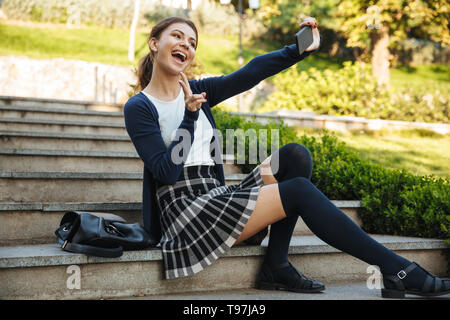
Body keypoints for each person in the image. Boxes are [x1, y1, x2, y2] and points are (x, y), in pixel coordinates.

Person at [123, 16, 450, 299]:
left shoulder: (197, 91)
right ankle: (401, 271)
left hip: (215, 197)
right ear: (155, 44)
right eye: (177, 36)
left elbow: (249, 73)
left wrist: (296, 51)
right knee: (297, 191)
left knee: (294, 157)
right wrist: (190, 118)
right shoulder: (140, 107)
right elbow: (165, 173)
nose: (186, 45)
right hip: (186, 212)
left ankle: (275, 265)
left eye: (192, 42)